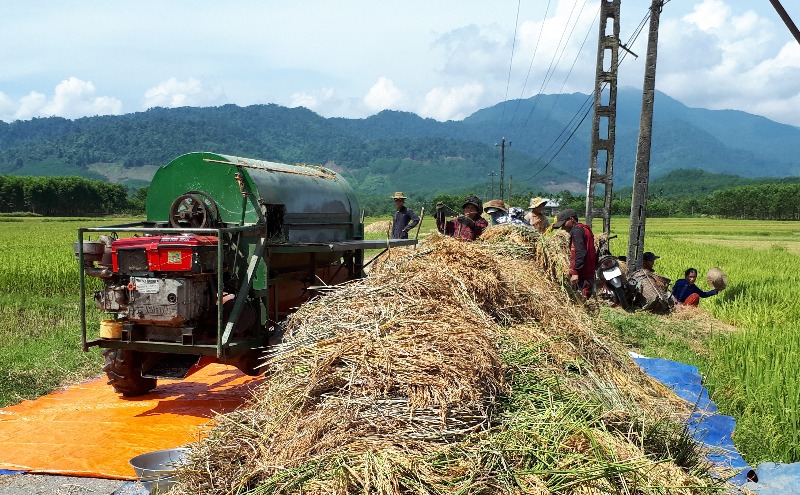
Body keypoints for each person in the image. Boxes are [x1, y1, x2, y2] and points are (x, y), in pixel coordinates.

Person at [552, 208, 596, 298]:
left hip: (582, 273)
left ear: (571, 219)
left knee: (582, 301)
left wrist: (575, 272)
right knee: (586, 299)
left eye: (564, 224)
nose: (563, 227)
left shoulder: (577, 231)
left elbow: (580, 252)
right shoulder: (585, 228)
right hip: (588, 271)